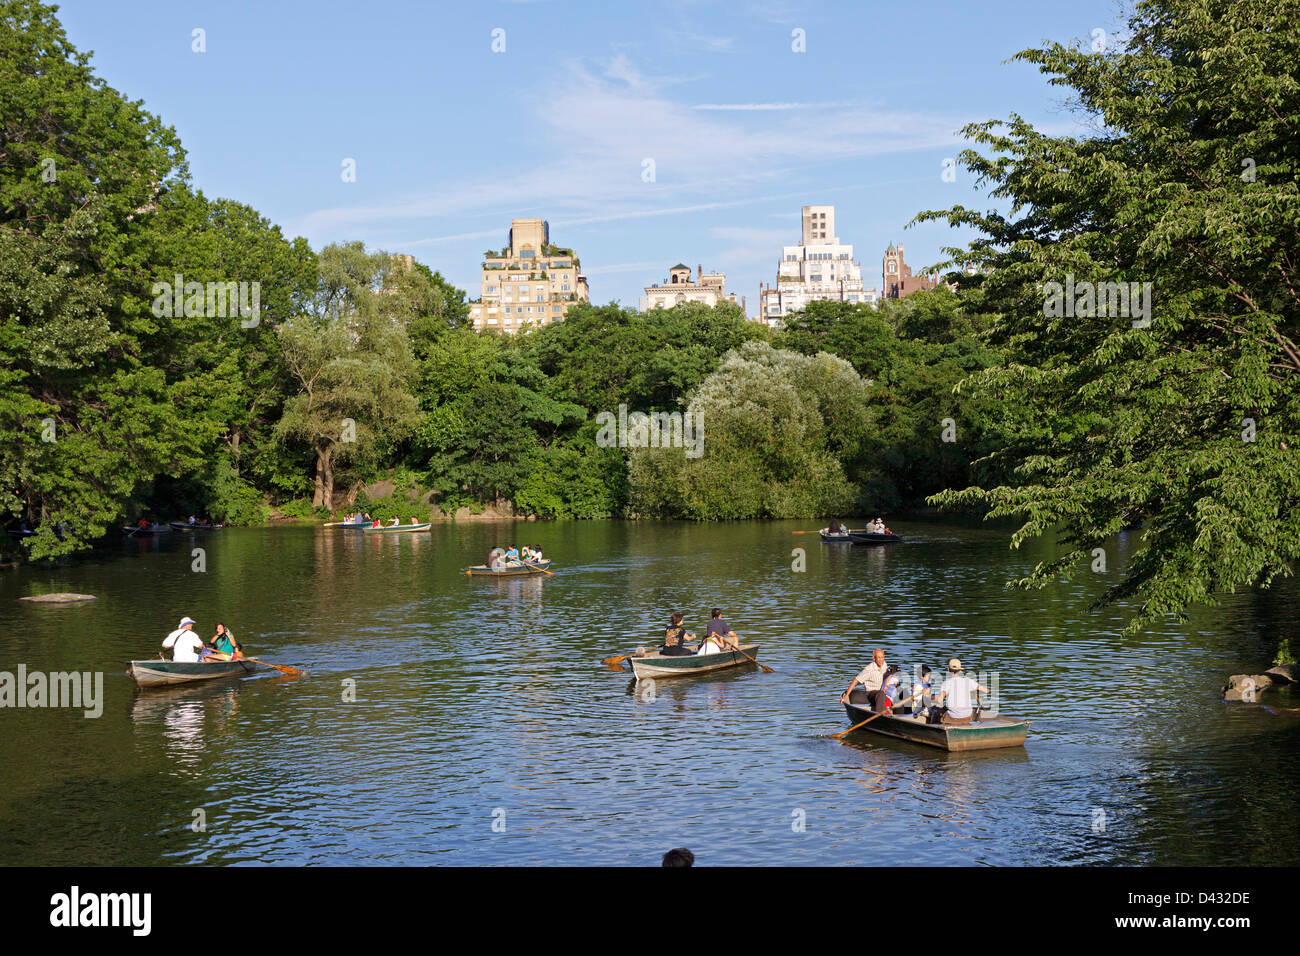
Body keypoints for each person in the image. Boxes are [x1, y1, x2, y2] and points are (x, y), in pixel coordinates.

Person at [935, 658, 990, 725]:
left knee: (938, 713)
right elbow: (987, 691)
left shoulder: (946, 683)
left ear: (948, 669)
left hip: (953, 716)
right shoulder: (968, 681)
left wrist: (932, 697)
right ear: (960, 670)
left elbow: (940, 700)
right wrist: (973, 689)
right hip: (967, 715)